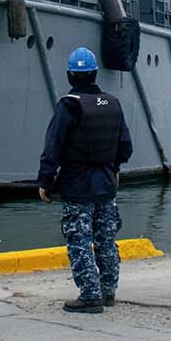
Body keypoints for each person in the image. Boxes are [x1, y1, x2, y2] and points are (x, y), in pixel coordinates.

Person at [37, 46, 133, 313]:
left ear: (70, 75)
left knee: (79, 240)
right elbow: (125, 145)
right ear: (94, 74)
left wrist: (45, 180)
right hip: (105, 183)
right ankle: (108, 290)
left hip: (77, 185)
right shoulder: (113, 103)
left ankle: (90, 295)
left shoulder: (69, 105)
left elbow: (53, 146)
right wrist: (113, 167)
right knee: (105, 239)